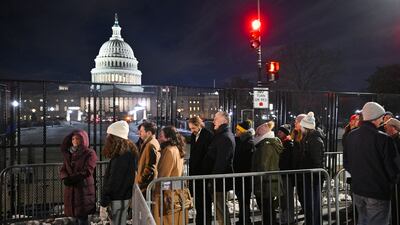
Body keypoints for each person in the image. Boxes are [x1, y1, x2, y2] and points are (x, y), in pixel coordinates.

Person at [344, 102, 398, 225]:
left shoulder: (351, 136)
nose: (382, 121)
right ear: (376, 118)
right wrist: (389, 182)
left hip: (358, 190)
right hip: (378, 192)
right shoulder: (384, 139)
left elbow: (346, 163)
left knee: (362, 220)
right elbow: (392, 168)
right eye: (381, 117)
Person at [99, 120, 138, 225]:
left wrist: (104, 202)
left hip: (117, 199)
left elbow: (113, 181)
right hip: (122, 197)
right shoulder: (127, 152)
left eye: (109, 135)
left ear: (115, 137)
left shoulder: (121, 156)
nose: (107, 137)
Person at [203, 111, 235, 225]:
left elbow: (221, 162)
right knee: (219, 209)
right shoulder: (222, 135)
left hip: (219, 181)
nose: (213, 121)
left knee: (220, 209)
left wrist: (213, 179)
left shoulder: (224, 137)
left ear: (224, 121)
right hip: (218, 180)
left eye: (216, 118)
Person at [60, 129, 97, 225]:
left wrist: (72, 179)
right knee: (74, 218)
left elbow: (87, 170)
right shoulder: (69, 154)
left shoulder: (90, 153)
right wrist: (64, 177)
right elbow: (63, 168)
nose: (75, 141)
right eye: (73, 139)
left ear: (83, 140)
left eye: (77, 138)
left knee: (82, 219)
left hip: (83, 190)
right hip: (71, 190)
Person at [153, 126, 187, 225]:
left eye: (161, 136)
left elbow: (164, 175)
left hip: (167, 194)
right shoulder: (177, 148)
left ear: (168, 138)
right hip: (176, 191)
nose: (159, 139)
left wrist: (156, 193)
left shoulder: (168, 150)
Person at [252, 121, 283, 225]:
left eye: (257, 134)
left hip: (265, 183)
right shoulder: (269, 144)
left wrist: (256, 180)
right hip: (270, 181)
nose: (255, 136)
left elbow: (262, 165)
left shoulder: (265, 146)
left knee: (266, 209)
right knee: (269, 209)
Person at [298, 112, 324, 225]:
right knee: (309, 203)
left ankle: (314, 222)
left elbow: (317, 160)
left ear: (306, 127)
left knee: (314, 203)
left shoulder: (314, 140)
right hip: (310, 176)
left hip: (314, 177)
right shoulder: (308, 138)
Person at [188, 116, 213, 225]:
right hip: (195, 174)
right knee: (198, 202)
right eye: (190, 128)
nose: (191, 130)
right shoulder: (193, 136)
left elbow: (208, 156)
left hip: (204, 174)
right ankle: (199, 221)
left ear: (199, 125)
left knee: (205, 202)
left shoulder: (208, 135)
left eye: (193, 128)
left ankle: (206, 222)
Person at [233, 120, 255, 225]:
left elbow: (243, 160)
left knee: (244, 200)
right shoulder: (242, 140)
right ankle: (243, 219)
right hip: (241, 176)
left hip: (244, 176)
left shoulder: (248, 143)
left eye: (238, 130)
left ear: (242, 131)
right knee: (242, 200)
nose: (236, 131)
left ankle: (246, 220)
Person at [277, 124, 295, 224]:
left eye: (280, 132)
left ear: (285, 133)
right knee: (283, 197)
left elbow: (287, 161)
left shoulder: (288, 144)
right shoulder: (283, 143)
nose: (278, 133)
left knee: (287, 197)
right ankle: (285, 217)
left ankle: (288, 218)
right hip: (283, 173)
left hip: (286, 174)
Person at [136, 121, 161, 195]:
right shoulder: (153, 142)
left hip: (146, 185)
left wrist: (141, 180)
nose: (139, 133)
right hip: (147, 183)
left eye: (141, 131)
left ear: (149, 133)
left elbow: (150, 167)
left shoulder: (150, 145)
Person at [384, 118, 400, 225]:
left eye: (387, 128)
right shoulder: (390, 139)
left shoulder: (394, 140)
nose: (385, 130)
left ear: (393, 128)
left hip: (396, 178)